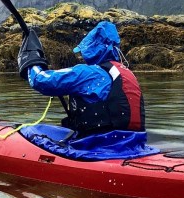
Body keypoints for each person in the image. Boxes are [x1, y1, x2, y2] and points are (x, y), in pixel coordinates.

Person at [17, 21, 145, 136]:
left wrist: (32, 59)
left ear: (91, 49)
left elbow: (40, 80)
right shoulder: (127, 73)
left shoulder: (88, 73)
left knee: (31, 132)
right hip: (131, 143)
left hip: (98, 146)